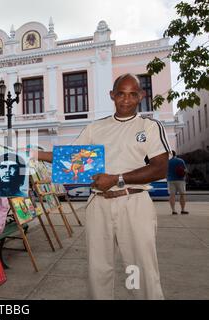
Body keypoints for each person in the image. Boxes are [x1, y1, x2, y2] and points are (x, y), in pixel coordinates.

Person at [33, 73, 170, 300]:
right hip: (99, 204)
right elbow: (70, 158)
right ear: (112, 95)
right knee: (99, 269)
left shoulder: (150, 126)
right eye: (121, 94)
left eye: (132, 94)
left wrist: (116, 179)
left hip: (133, 202)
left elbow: (159, 169)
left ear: (141, 96)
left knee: (138, 269)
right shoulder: (95, 128)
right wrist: (34, 154)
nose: (126, 100)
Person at [167, 150, 188, 215]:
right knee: (182, 195)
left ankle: (173, 210)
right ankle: (183, 210)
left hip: (170, 180)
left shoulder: (167, 162)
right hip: (180, 180)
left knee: (172, 195)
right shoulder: (180, 160)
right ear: (175, 154)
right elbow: (185, 170)